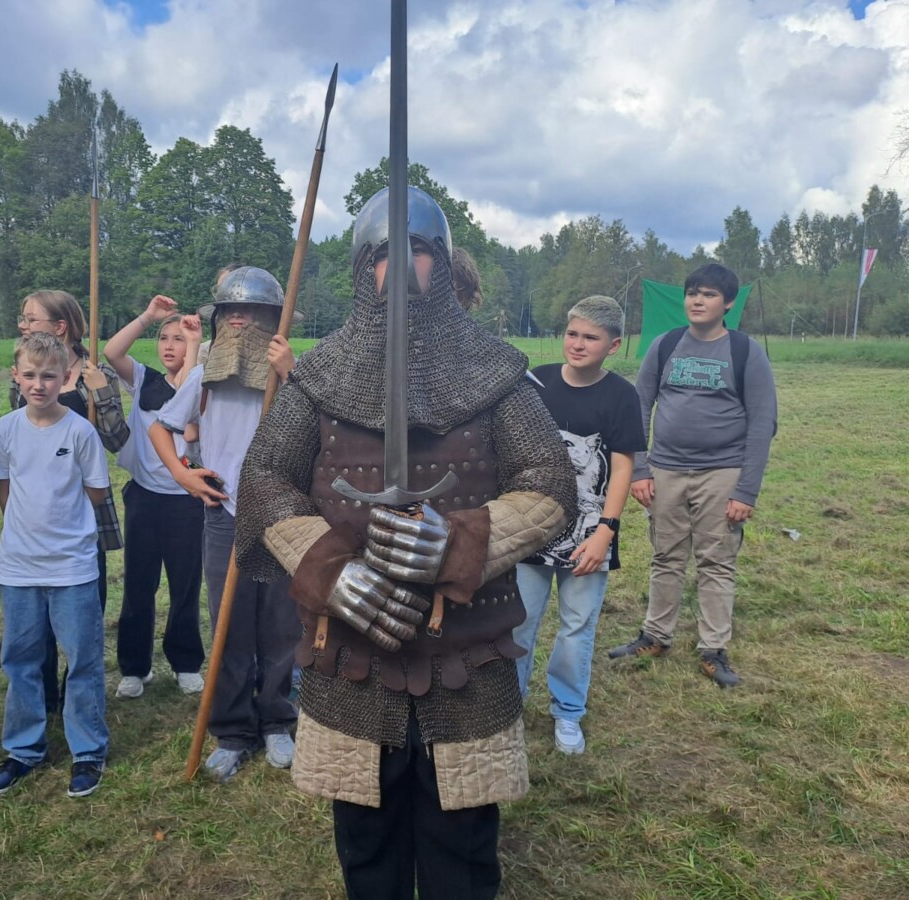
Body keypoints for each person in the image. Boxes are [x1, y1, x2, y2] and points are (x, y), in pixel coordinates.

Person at [234, 187, 576, 899]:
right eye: (387, 253)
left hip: (467, 652)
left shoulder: (495, 374)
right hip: (351, 652)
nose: (404, 266)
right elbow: (265, 480)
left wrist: (462, 544)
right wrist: (328, 570)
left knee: (464, 855)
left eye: (420, 250)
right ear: (364, 269)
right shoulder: (322, 375)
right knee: (367, 849)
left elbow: (551, 484)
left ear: (444, 267)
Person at [148, 266, 298, 783]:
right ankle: (234, 731)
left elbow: (319, 432)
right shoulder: (203, 375)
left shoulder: (292, 374)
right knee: (231, 623)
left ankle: (278, 718)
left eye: (251, 312)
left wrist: (292, 374)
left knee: (281, 622)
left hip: (280, 513)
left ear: (271, 319)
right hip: (223, 514)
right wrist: (183, 476)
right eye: (230, 312)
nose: (239, 321)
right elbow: (161, 427)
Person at [608, 263, 777, 687]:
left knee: (716, 562)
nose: (697, 301)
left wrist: (747, 490)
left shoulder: (745, 351)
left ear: (728, 303)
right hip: (665, 470)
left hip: (722, 473)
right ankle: (655, 636)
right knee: (665, 556)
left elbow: (762, 422)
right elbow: (638, 408)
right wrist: (642, 470)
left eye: (708, 295)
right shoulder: (665, 346)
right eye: (691, 294)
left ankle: (713, 650)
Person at [510, 295, 645, 755]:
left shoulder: (622, 396)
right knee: (518, 621)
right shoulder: (536, 383)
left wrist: (605, 530)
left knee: (576, 626)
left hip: (590, 532)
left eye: (591, 337)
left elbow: (623, 467)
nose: (579, 344)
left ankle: (568, 712)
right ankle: (509, 706)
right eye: (573, 333)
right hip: (532, 528)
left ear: (614, 345)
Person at [0, 332, 111, 799]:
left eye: (49, 376)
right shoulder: (3, 430)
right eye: (30, 375)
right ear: (16, 376)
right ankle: (23, 749)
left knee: (82, 661)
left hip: (72, 568)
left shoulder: (80, 432)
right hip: (18, 569)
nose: (39, 384)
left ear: (67, 378)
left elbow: (96, 492)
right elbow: (4, 490)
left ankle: (88, 751)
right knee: (21, 661)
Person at [11, 290, 128, 711]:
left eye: (31, 319)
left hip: (86, 510)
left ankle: (77, 693)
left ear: (60, 327)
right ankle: (42, 697)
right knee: (35, 622)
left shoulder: (96, 374)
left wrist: (100, 393)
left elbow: (116, 440)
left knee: (84, 612)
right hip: (41, 508)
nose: (23, 326)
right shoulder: (27, 374)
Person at [103, 295, 204, 699]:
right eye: (164, 338)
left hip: (187, 499)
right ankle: (135, 667)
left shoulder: (202, 381)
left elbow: (188, 404)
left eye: (178, 339)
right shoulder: (143, 379)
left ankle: (185, 663)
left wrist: (195, 345)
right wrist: (147, 315)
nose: (168, 345)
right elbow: (112, 351)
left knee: (185, 585)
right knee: (139, 584)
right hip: (144, 498)